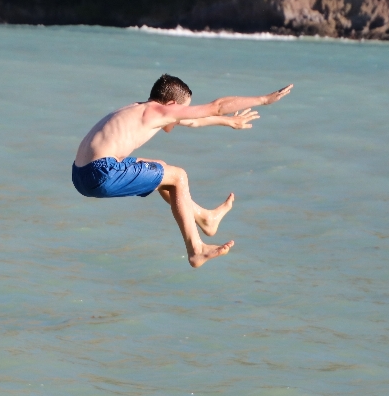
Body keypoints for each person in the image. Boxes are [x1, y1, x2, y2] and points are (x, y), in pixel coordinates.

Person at [73, 74, 292, 268]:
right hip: (100, 173)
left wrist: (229, 122)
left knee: (161, 169)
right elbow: (216, 105)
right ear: (171, 103)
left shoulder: (140, 109)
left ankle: (205, 217)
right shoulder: (158, 111)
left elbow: (194, 121)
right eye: (182, 109)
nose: (181, 117)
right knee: (178, 176)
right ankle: (196, 250)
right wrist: (264, 100)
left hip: (81, 174)